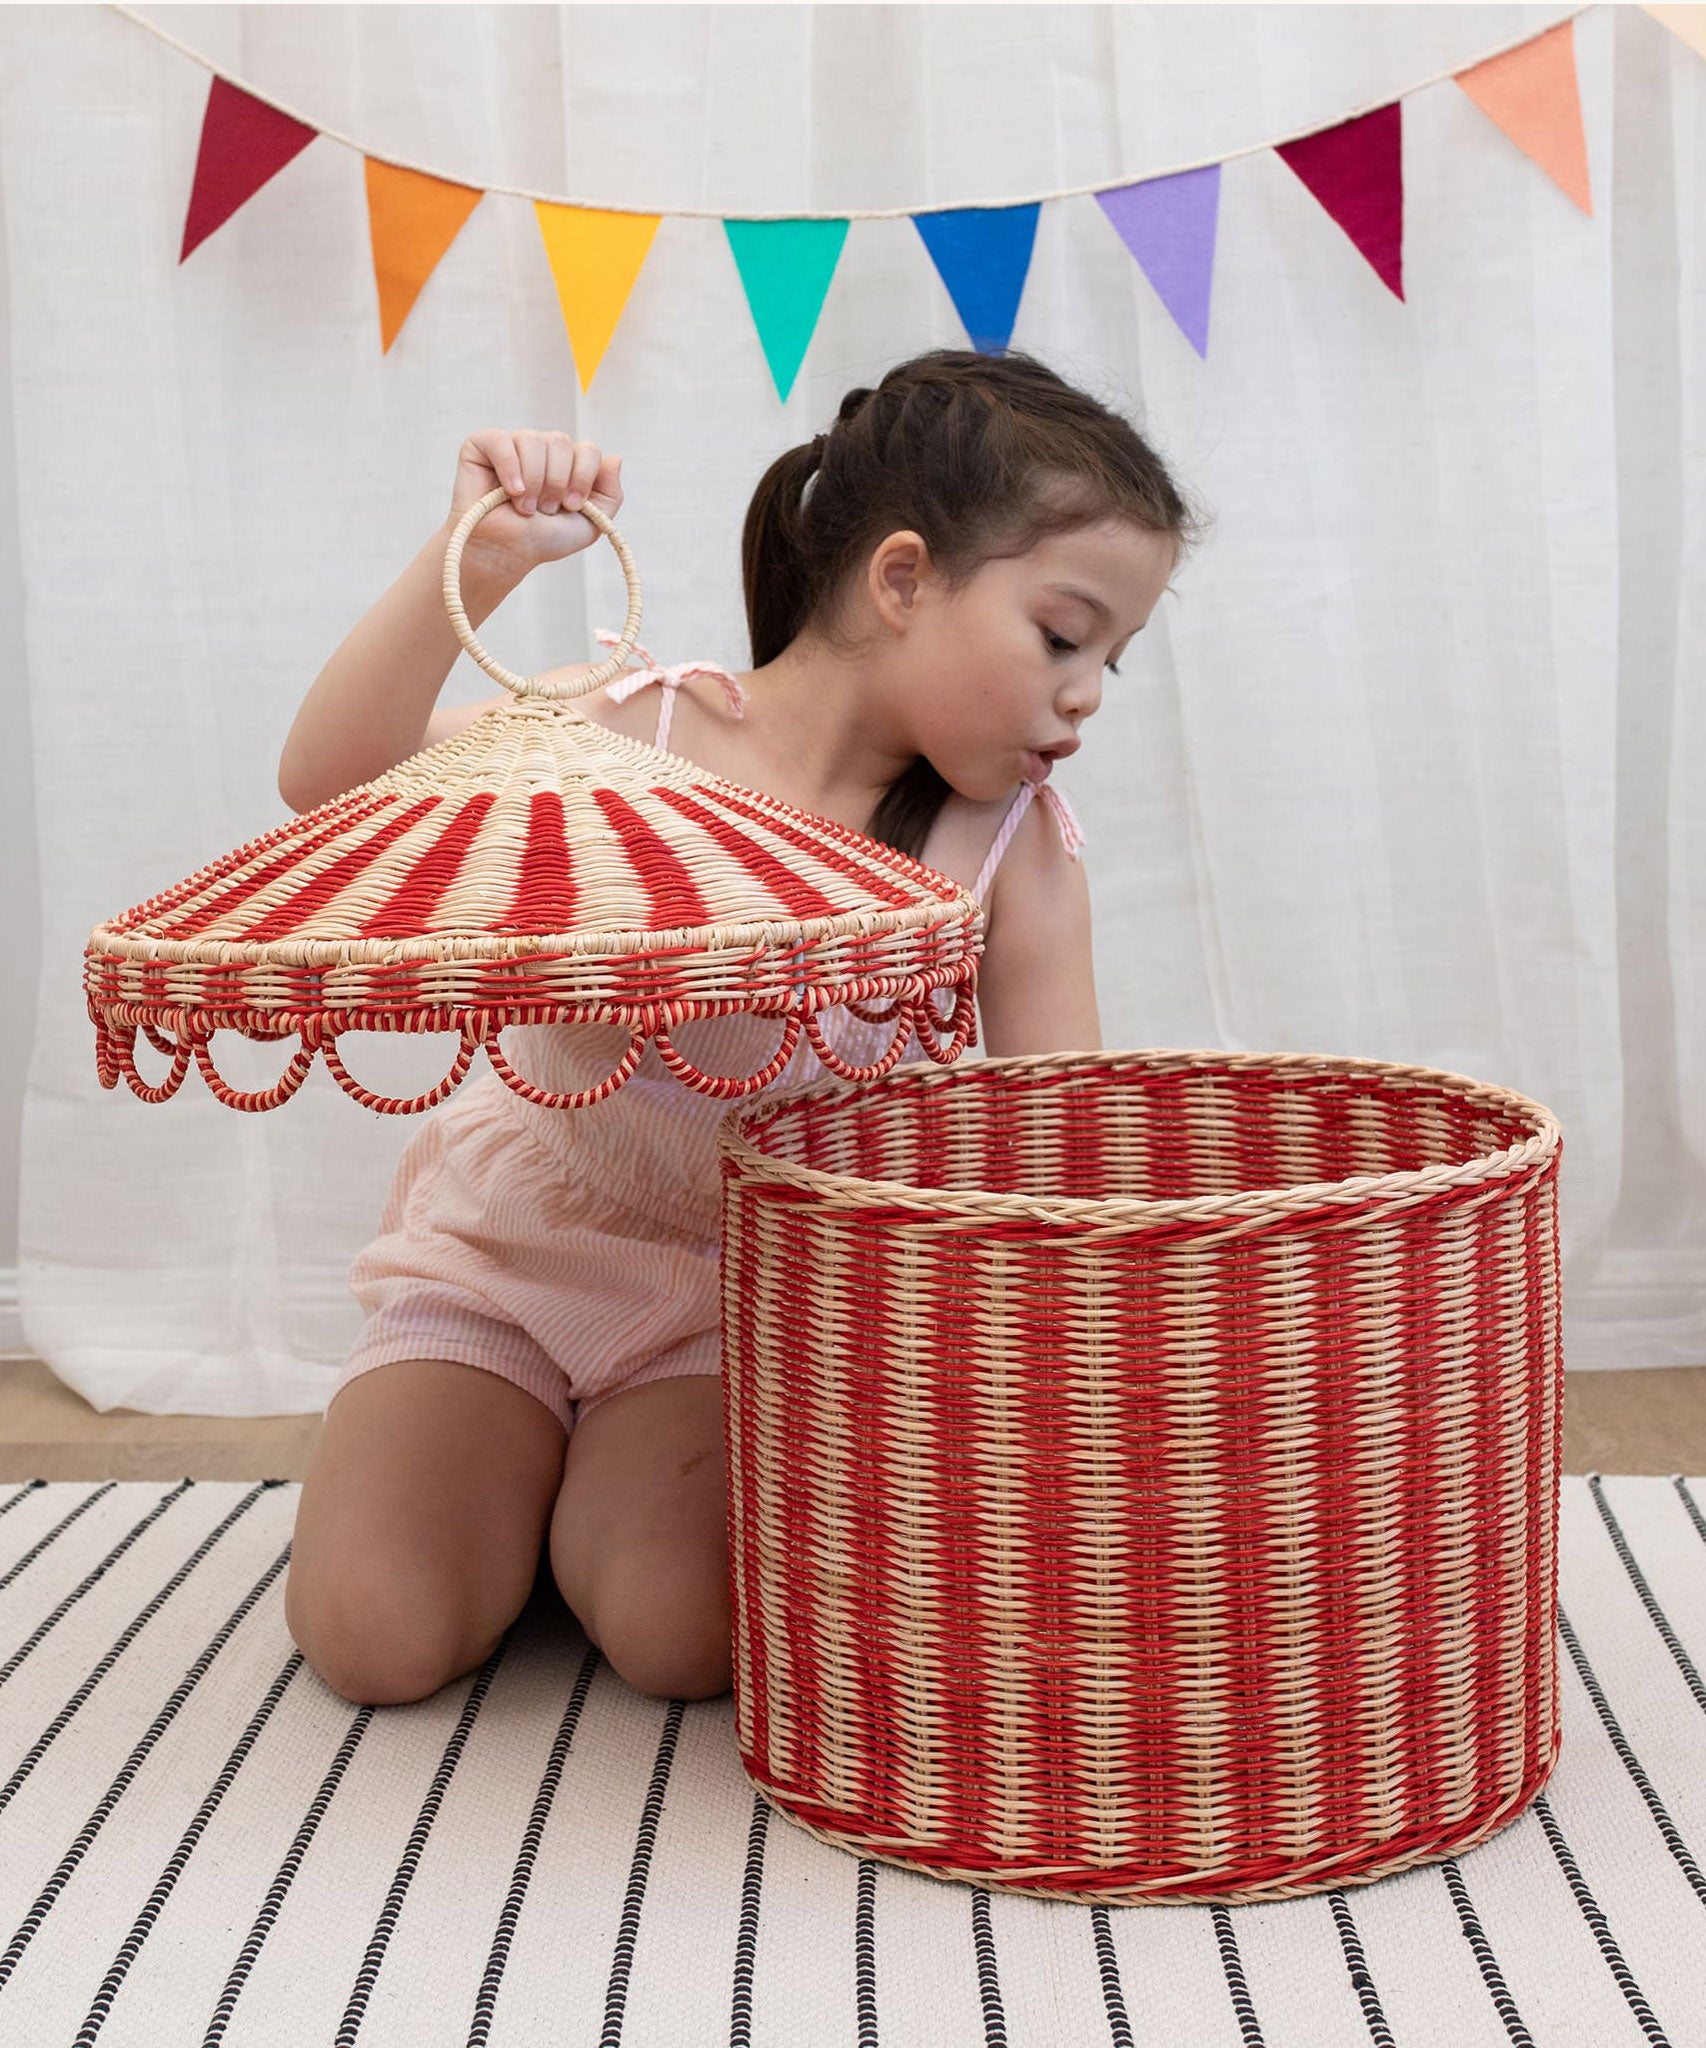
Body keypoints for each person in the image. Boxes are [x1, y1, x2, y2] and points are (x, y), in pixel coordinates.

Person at [275, 346, 1205, 1714]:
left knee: (686, 1639)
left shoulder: (1006, 845)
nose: (1088, 695)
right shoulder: (627, 736)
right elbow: (328, 782)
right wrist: (478, 561)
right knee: (376, 1636)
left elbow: (1060, 1149)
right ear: (901, 580)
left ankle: (574, 1510)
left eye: (1110, 661)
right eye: (1064, 639)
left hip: (746, 1308)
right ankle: (491, 1477)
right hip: (509, 1257)